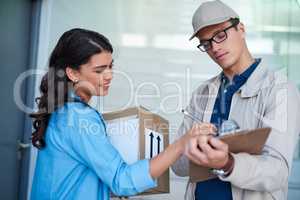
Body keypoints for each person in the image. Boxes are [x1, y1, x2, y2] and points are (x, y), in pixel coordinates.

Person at [29, 28, 207, 200]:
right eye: (99, 70)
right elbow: (122, 181)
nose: (109, 76)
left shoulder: (64, 110)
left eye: (110, 66)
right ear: (73, 73)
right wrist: (180, 145)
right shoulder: (78, 117)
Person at [172, 0, 300, 200]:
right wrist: (189, 145)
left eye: (221, 35)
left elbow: (277, 171)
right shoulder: (202, 93)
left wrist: (228, 163)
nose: (215, 47)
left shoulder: (279, 90)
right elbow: (178, 167)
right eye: (206, 43)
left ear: (241, 29)